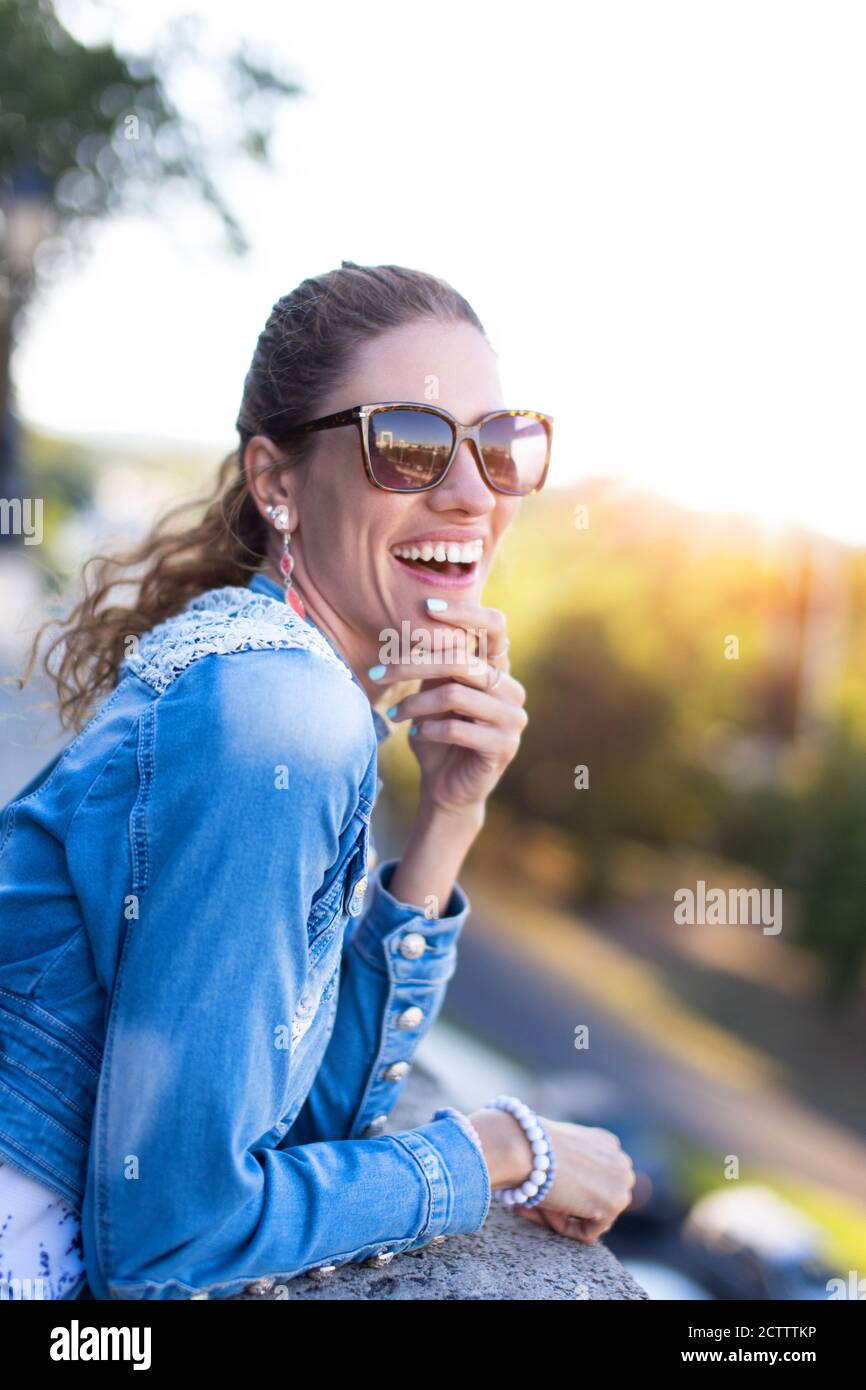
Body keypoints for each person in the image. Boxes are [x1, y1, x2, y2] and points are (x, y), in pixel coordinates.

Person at [0, 261, 635, 1301]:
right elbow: (176, 1245)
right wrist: (496, 1149)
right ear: (275, 481)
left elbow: (289, 1129)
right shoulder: (275, 712)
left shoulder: (287, 690)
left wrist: (447, 816)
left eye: (496, 443)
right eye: (411, 442)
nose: (470, 491)